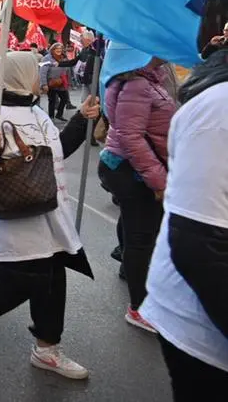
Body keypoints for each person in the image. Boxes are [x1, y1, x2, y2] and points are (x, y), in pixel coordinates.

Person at [0, 51, 98, 380]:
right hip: (15, 217)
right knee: (22, 280)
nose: (38, 78)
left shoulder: (35, 111)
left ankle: (47, 349)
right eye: (33, 72)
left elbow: (57, 151)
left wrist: (81, 118)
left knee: (53, 280)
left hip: (50, 212)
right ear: (19, 75)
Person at [140, 51, 228, 398]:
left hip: (172, 179)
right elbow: (199, 244)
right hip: (203, 331)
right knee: (136, 237)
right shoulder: (218, 109)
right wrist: (157, 178)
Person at [97, 53, 176, 333]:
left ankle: (144, 292)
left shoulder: (148, 80)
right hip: (133, 170)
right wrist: (159, 181)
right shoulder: (137, 84)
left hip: (137, 169)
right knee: (142, 238)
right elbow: (131, 137)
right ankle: (139, 307)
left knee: (141, 234)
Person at [39, 43, 78, 121]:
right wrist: (44, 84)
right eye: (57, 49)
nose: (59, 50)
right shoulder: (46, 58)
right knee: (52, 100)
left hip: (62, 82)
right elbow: (42, 72)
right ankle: (51, 117)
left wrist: (70, 82)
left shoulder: (64, 57)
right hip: (51, 82)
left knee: (64, 99)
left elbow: (68, 70)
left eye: (60, 49)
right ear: (53, 49)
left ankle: (59, 115)